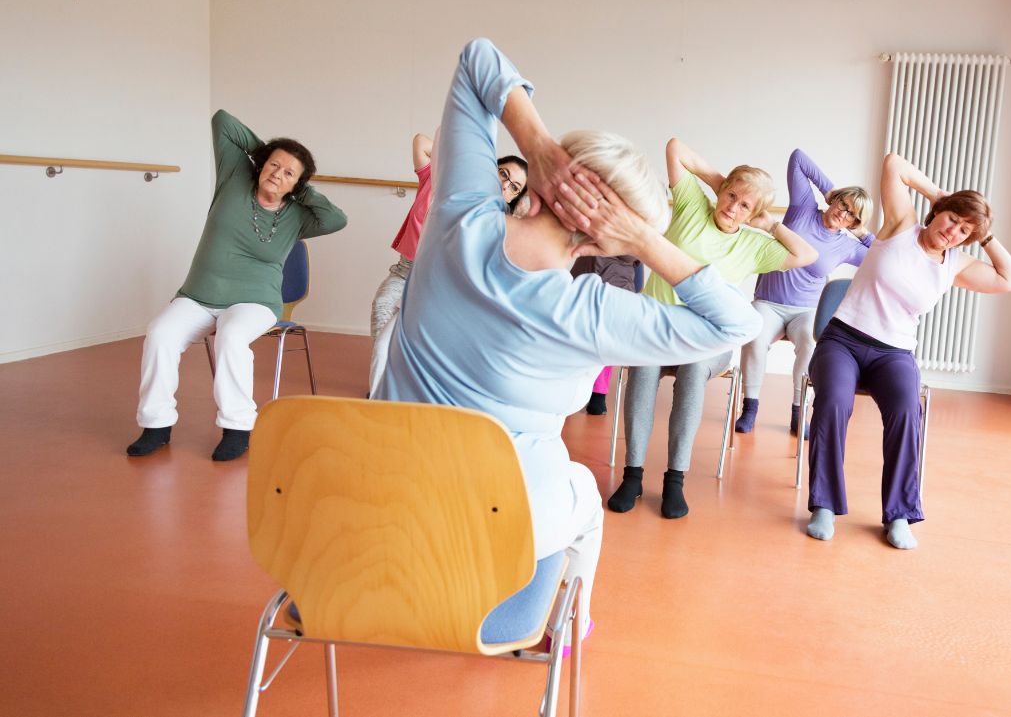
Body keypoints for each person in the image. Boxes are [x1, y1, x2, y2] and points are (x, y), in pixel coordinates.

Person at [375, 38, 761, 648]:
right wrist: (643, 241)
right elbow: (737, 325)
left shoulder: (459, 218)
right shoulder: (593, 313)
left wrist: (538, 148)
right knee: (581, 492)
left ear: (547, 179)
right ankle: (566, 633)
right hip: (481, 575)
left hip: (369, 544)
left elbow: (478, 58)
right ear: (610, 237)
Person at [804, 153, 1011, 548]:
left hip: (894, 354)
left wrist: (986, 234)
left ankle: (899, 515)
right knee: (834, 401)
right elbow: (894, 164)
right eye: (952, 220)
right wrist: (941, 196)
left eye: (964, 230)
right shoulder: (902, 223)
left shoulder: (955, 264)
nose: (953, 232)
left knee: (908, 411)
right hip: (843, 339)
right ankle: (824, 504)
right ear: (937, 213)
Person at [607, 138, 817, 519]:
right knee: (642, 370)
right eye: (731, 196)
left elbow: (807, 255)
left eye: (745, 205)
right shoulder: (692, 205)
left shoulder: (755, 245)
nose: (733, 208)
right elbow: (674, 147)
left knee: (691, 372)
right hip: (658, 327)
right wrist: (723, 182)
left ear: (756, 213)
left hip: (708, 337)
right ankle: (633, 475)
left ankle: (675, 480)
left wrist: (770, 224)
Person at [127, 110, 348, 461]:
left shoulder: (298, 216)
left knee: (231, 337)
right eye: (273, 165)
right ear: (261, 164)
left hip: (254, 301)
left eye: (289, 173)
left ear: (298, 185)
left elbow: (338, 219)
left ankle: (237, 428)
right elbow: (222, 122)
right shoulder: (234, 177)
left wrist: (299, 186)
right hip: (199, 296)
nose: (277, 174)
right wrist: (269, 156)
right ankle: (156, 425)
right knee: (160, 334)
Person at [367, 131, 529, 394]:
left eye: (514, 187)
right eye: (503, 174)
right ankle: (383, 391)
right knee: (383, 316)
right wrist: (468, 164)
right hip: (405, 272)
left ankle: (410, 390)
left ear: (514, 197)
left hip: (444, 286)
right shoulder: (442, 180)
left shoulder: (497, 220)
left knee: (432, 341)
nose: (505, 185)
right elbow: (421, 141)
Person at [734, 148, 874, 437]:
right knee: (754, 337)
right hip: (768, 304)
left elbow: (881, 255)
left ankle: (799, 414)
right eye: (842, 204)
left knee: (810, 346)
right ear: (834, 200)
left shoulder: (848, 246)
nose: (842, 213)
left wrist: (862, 234)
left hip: (805, 311)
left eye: (851, 215)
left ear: (855, 222)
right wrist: (829, 190)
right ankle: (750, 407)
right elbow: (798, 158)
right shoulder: (803, 207)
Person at [569, 254, 639, 415]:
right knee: (604, 337)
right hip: (609, 280)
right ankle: (596, 395)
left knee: (589, 335)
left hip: (593, 275)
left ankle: (591, 393)